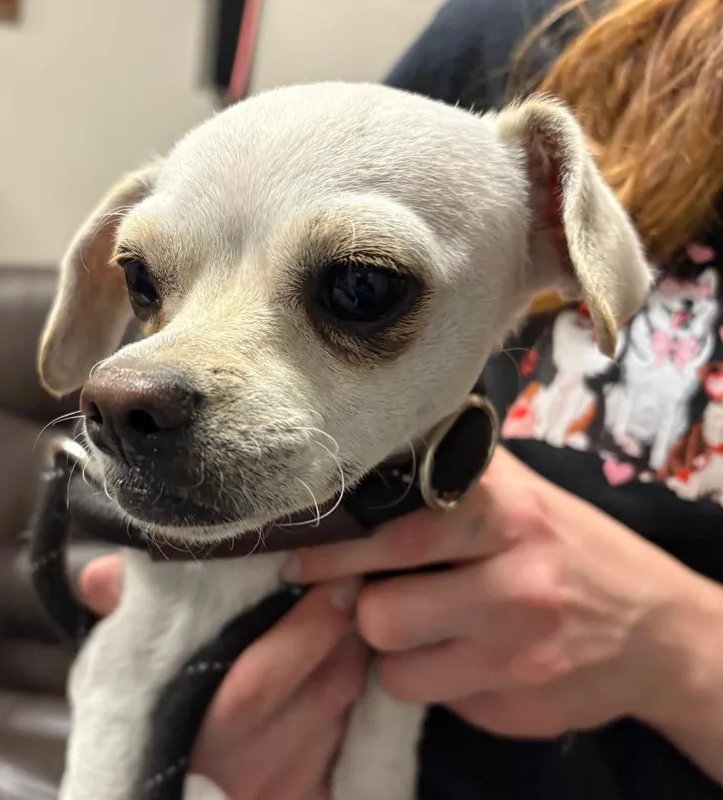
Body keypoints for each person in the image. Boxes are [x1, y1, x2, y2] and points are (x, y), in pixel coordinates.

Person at [79, 1, 723, 797]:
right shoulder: (515, 27)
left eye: (359, 288)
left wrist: (682, 650)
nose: (129, 391)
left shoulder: (518, 186)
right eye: (147, 281)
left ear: (555, 237)